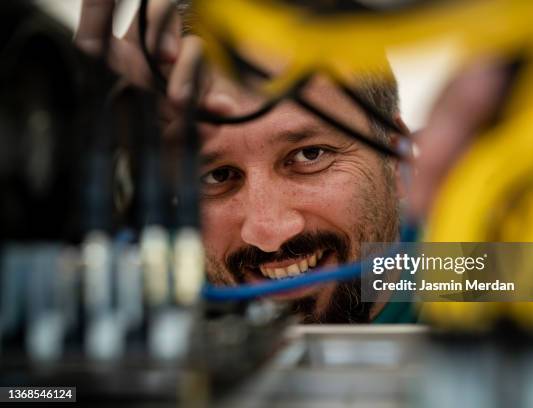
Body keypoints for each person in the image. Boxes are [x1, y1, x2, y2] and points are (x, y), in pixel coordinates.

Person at [75, 0, 502, 323]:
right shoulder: (149, 283)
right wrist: (84, 179)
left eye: (308, 156)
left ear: (399, 162)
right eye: (216, 175)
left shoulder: (466, 272)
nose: (268, 231)